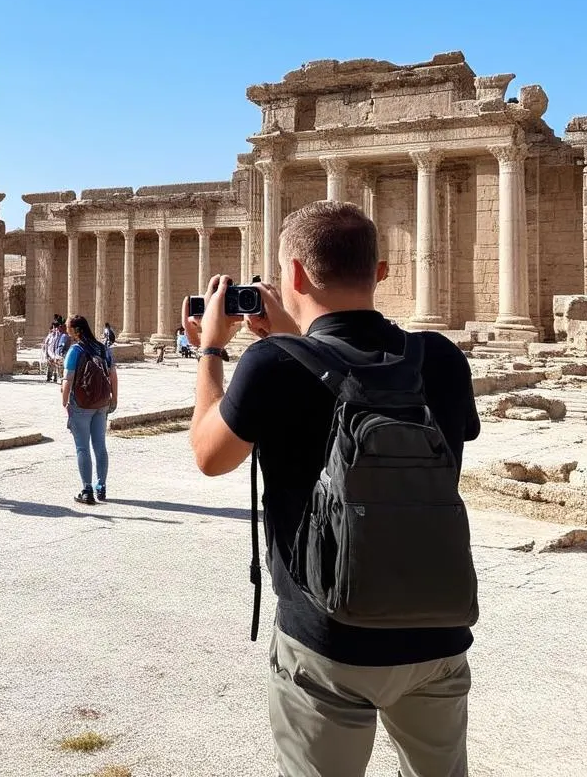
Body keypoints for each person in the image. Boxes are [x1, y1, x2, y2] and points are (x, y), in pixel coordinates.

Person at [184, 201, 479, 777]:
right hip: (438, 629)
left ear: (292, 275)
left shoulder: (271, 364)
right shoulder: (440, 358)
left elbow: (209, 454)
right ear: (382, 271)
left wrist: (212, 350)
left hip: (327, 637)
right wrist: (293, 339)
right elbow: (363, 376)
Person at [61, 314, 118, 505]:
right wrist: (114, 399)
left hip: (81, 404)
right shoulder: (103, 349)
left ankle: (87, 490)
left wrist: (65, 402)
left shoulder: (75, 350)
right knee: (100, 446)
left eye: (68, 328)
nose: (66, 330)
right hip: (101, 403)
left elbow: (67, 380)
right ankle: (101, 486)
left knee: (82, 447)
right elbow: (113, 375)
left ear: (77, 331)